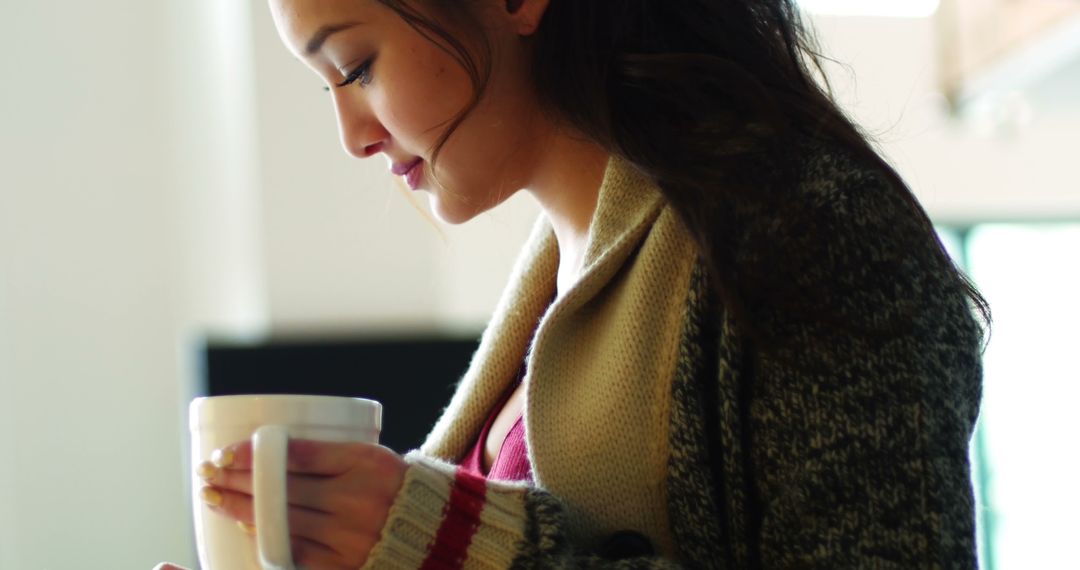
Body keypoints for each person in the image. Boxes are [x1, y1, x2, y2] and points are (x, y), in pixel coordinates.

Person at [159, 0, 991, 568]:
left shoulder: (808, 230)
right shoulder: (557, 278)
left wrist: (455, 542)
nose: (351, 136)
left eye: (356, 65)